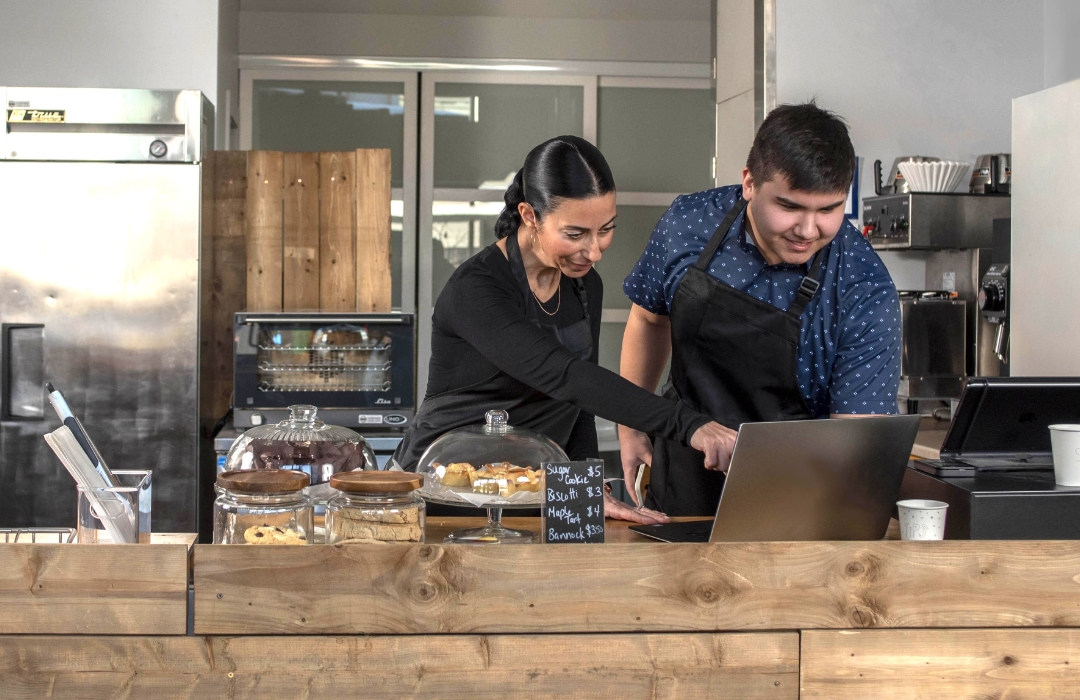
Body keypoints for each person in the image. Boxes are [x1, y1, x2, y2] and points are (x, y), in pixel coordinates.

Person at [393, 135, 733, 522]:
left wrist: (587, 487)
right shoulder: (477, 289)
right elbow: (566, 376)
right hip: (445, 492)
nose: (594, 251)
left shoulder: (585, 285)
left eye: (606, 229)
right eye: (575, 234)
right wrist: (692, 426)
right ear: (529, 216)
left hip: (529, 491)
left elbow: (578, 404)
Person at [618, 102, 902, 516]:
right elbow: (648, 318)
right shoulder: (688, 224)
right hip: (682, 472)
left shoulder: (864, 288)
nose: (808, 230)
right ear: (749, 182)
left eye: (828, 210)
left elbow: (853, 446)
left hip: (799, 498)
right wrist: (631, 425)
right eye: (789, 207)